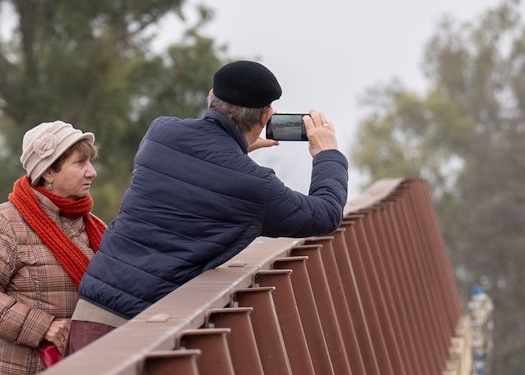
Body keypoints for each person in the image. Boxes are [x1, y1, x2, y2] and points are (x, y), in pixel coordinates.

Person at [69, 60, 346, 351]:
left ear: (212, 94)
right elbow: (324, 214)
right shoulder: (255, 185)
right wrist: (327, 154)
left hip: (90, 313)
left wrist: (233, 149)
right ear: (266, 118)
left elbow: (196, 168)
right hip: (143, 332)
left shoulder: (160, 134)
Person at [0, 121, 104, 375]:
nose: (91, 172)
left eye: (91, 162)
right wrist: (43, 327)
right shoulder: (5, 223)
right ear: (47, 171)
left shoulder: (92, 226)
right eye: (80, 162)